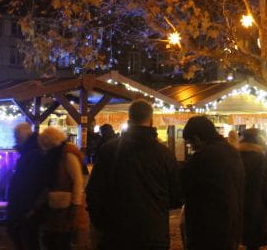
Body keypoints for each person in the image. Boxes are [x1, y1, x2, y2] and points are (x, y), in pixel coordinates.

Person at [86, 99, 181, 250]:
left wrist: (101, 222)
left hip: (116, 233)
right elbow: (176, 197)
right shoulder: (165, 154)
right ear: (151, 121)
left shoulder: (109, 151)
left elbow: (93, 192)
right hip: (153, 234)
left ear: (129, 120)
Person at [181, 116, 245, 250]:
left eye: (191, 143)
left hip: (207, 225)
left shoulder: (202, 157)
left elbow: (185, 188)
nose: (191, 147)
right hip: (232, 220)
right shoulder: (232, 152)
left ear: (197, 138)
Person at [39, 127, 86, 250]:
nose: (43, 145)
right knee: (54, 239)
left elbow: (77, 180)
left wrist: (76, 204)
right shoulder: (54, 154)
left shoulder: (67, 154)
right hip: (57, 204)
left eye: (45, 141)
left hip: (66, 205)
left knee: (61, 240)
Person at [7, 122, 46, 250]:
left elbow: (31, 182)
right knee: (27, 237)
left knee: (27, 237)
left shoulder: (32, 154)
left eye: (17, 136)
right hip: (25, 204)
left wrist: (30, 207)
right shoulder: (31, 152)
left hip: (26, 205)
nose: (15, 139)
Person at [239, 129, 267, 250]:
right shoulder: (259, 157)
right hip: (255, 199)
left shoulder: (236, 155)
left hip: (238, 198)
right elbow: (264, 182)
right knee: (254, 239)